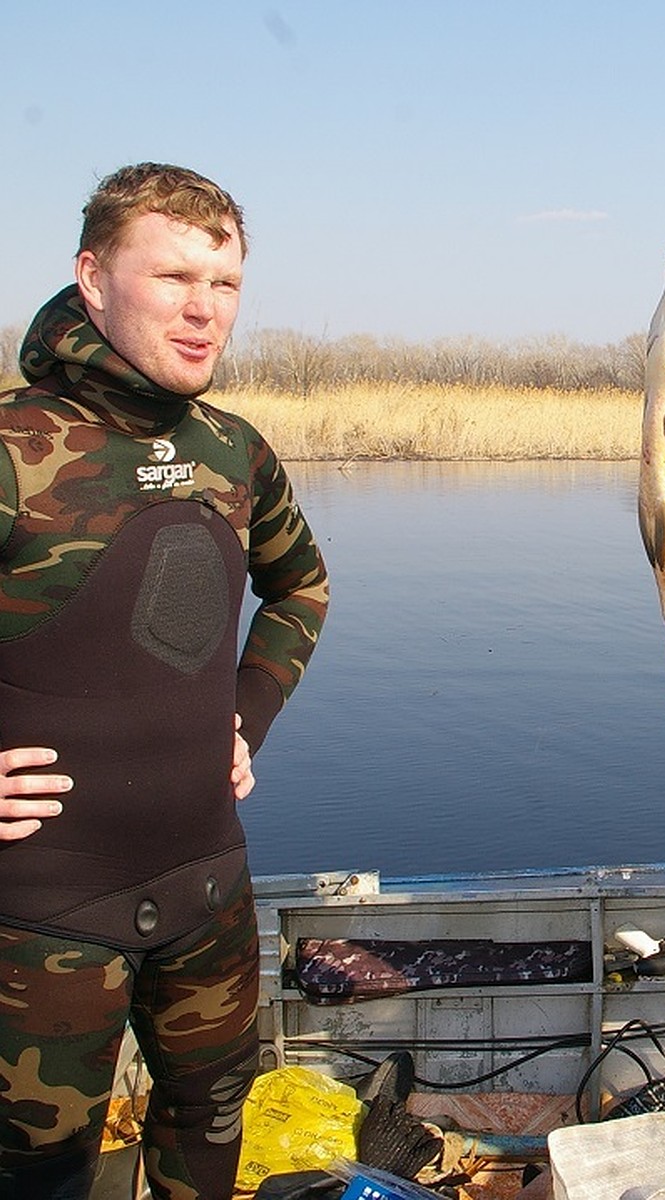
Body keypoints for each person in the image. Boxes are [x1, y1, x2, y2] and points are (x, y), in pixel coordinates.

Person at [0, 164, 329, 1199]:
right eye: (175, 276)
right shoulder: (12, 447)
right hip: (44, 914)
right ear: (93, 278)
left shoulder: (233, 452)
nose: (205, 309)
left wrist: (246, 716)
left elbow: (303, 590)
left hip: (207, 892)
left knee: (212, 1128)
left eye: (225, 282)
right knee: (36, 1172)